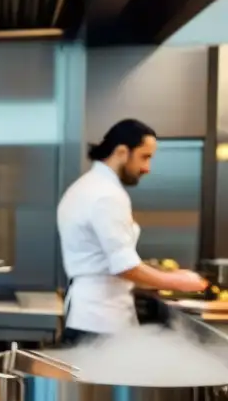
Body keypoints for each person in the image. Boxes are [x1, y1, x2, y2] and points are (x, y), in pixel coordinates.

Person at [56, 118, 207, 342]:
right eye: (144, 157)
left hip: (88, 315)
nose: (147, 168)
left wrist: (168, 275)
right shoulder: (107, 195)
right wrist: (179, 282)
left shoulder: (84, 186)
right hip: (102, 321)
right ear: (121, 152)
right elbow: (124, 265)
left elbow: (109, 259)